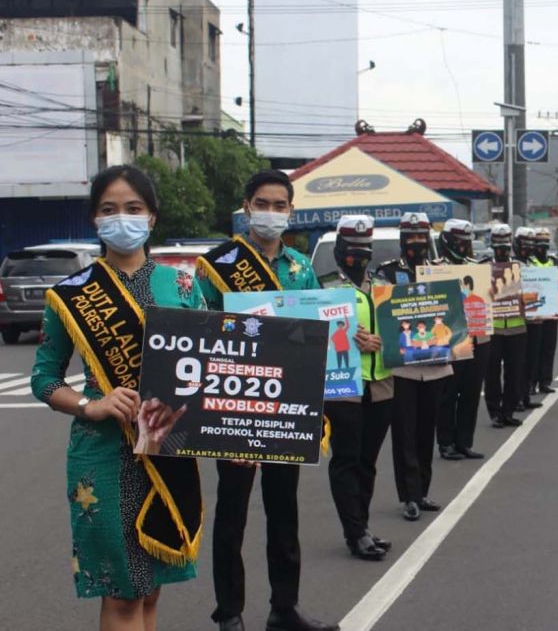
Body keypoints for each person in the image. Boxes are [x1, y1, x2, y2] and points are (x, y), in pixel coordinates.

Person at [31, 165, 204, 631]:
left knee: (150, 589)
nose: (121, 218)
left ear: (152, 217)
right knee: (124, 595)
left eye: (133, 208)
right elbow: (44, 378)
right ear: (94, 218)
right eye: (109, 210)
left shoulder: (183, 285)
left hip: (167, 450)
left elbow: (214, 366)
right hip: (106, 455)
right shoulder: (71, 295)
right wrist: (91, 405)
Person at [195, 170, 332, 631]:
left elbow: (318, 329)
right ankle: (229, 612)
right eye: (262, 203)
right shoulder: (216, 266)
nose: (270, 212)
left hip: (286, 405)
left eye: (279, 205)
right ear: (246, 207)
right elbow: (200, 332)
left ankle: (284, 608)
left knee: (284, 510)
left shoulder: (300, 267)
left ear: (290, 211)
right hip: (236, 405)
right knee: (231, 512)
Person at [320, 215, 395, 563]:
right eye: (352, 249)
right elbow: (309, 333)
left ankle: (362, 526)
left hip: (381, 384)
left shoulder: (383, 286)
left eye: (364, 249)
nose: (358, 256)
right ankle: (355, 533)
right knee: (347, 459)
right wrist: (350, 338)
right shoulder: (325, 290)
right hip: (343, 387)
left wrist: (384, 340)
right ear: (339, 250)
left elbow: (402, 332)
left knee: (368, 461)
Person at [375, 212, 452, 522]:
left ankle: (422, 490)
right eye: (411, 237)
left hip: (435, 362)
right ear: (402, 239)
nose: (417, 242)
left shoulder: (442, 270)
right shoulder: (387, 273)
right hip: (402, 365)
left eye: (421, 236)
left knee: (426, 429)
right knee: (404, 431)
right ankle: (408, 495)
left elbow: (455, 309)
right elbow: (380, 311)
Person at [436, 219, 491, 461]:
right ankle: (446, 442)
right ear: (447, 241)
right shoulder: (436, 269)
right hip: (451, 339)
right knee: (448, 394)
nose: (462, 247)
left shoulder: (476, 268)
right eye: (458, 242)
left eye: (466, 242)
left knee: (471, 392)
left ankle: (464, 442)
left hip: (478, 336)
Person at [484, 223, 527, 429]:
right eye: (498, 244)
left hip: (517, 328)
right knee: (492, 373)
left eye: (505, 244)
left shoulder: (521, 267)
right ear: (492, 245)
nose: (502, 249)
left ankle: (508, 411)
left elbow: (534, 292)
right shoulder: (483, 268)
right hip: (492, 329)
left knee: (515, 372)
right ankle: (495, 412)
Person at [529, 227, 558, 394]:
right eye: (539, 243)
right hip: (535, 311)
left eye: (545, 242)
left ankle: (545, 381)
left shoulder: (553, 261)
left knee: (548, 347)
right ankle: (531, 382)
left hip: (551, 310)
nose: (542, 247)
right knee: (534, 349)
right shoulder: (530, 261)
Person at [515, 226, 542, 412]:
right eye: (525, 243)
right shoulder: (512, 265)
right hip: (519, 318)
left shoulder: (532, 263)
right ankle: (516, 397)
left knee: (532, 358)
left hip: (536, 316)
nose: (528, 247)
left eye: (531, 243)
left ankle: (525, 395)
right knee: (519, 362)